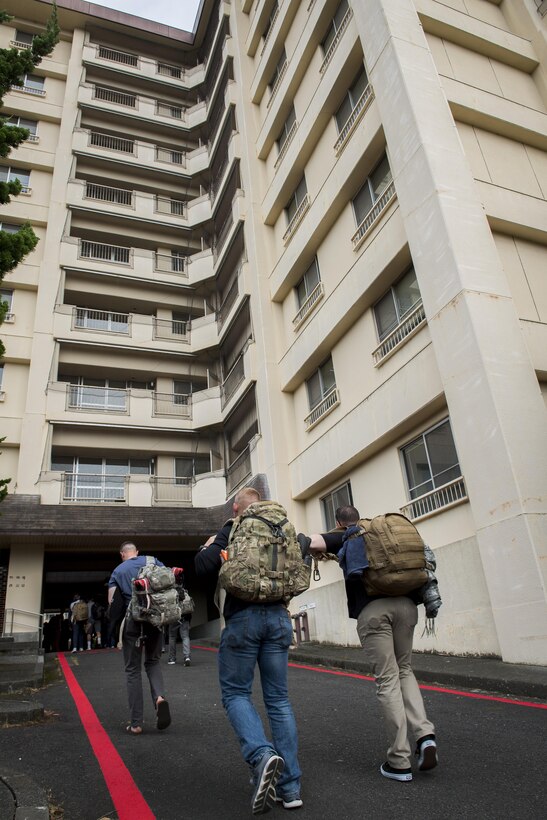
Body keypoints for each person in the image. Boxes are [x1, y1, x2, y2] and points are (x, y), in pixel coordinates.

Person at [306, 505, 438, 783]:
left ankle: (399, 760)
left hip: (374, 612)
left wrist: (306, 546)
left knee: (387, 680)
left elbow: (311, 541)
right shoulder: (381, 533)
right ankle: (425, 736)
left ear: (339, 522)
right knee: (405, 670)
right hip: (407, 606)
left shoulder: (346, 535)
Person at [195, 487, 302, 815]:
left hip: (244, 620)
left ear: (237, 507)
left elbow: (203, 567)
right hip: (280, 619)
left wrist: (211, 544)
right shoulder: (282, 524)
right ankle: (291, 787)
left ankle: (261, 755)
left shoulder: (234, 526)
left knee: (236, 695)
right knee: (279, 701)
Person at [108, 541, 171, 735]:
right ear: (137, 552)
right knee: (152, 662)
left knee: (132, 670)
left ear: (122, 554)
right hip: (155, 619)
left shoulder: (118, 571)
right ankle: (159, 698)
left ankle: (136, 723)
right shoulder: (154, 561)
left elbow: (111, 603)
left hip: (132, 622)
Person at [167, 576, 192, 666]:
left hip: (174, 618)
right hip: (184, 617)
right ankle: (187, 657)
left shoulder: (170, 593)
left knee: (172, 637)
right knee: (185, 637)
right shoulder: (185, 592)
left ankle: (172, 658)